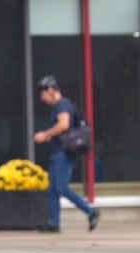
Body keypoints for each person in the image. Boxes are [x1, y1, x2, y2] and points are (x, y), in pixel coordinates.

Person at [33, 75, 99, 232]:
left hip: (63, 153)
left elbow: (64, 125)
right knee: (53, 190)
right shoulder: (60, 105)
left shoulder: (62, 104)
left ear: (51, 90)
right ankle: (53, 223)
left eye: (43, 95)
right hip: (59, 151)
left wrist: (45, 135)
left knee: (62, 187)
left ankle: (91, 211)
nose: (42, 99)